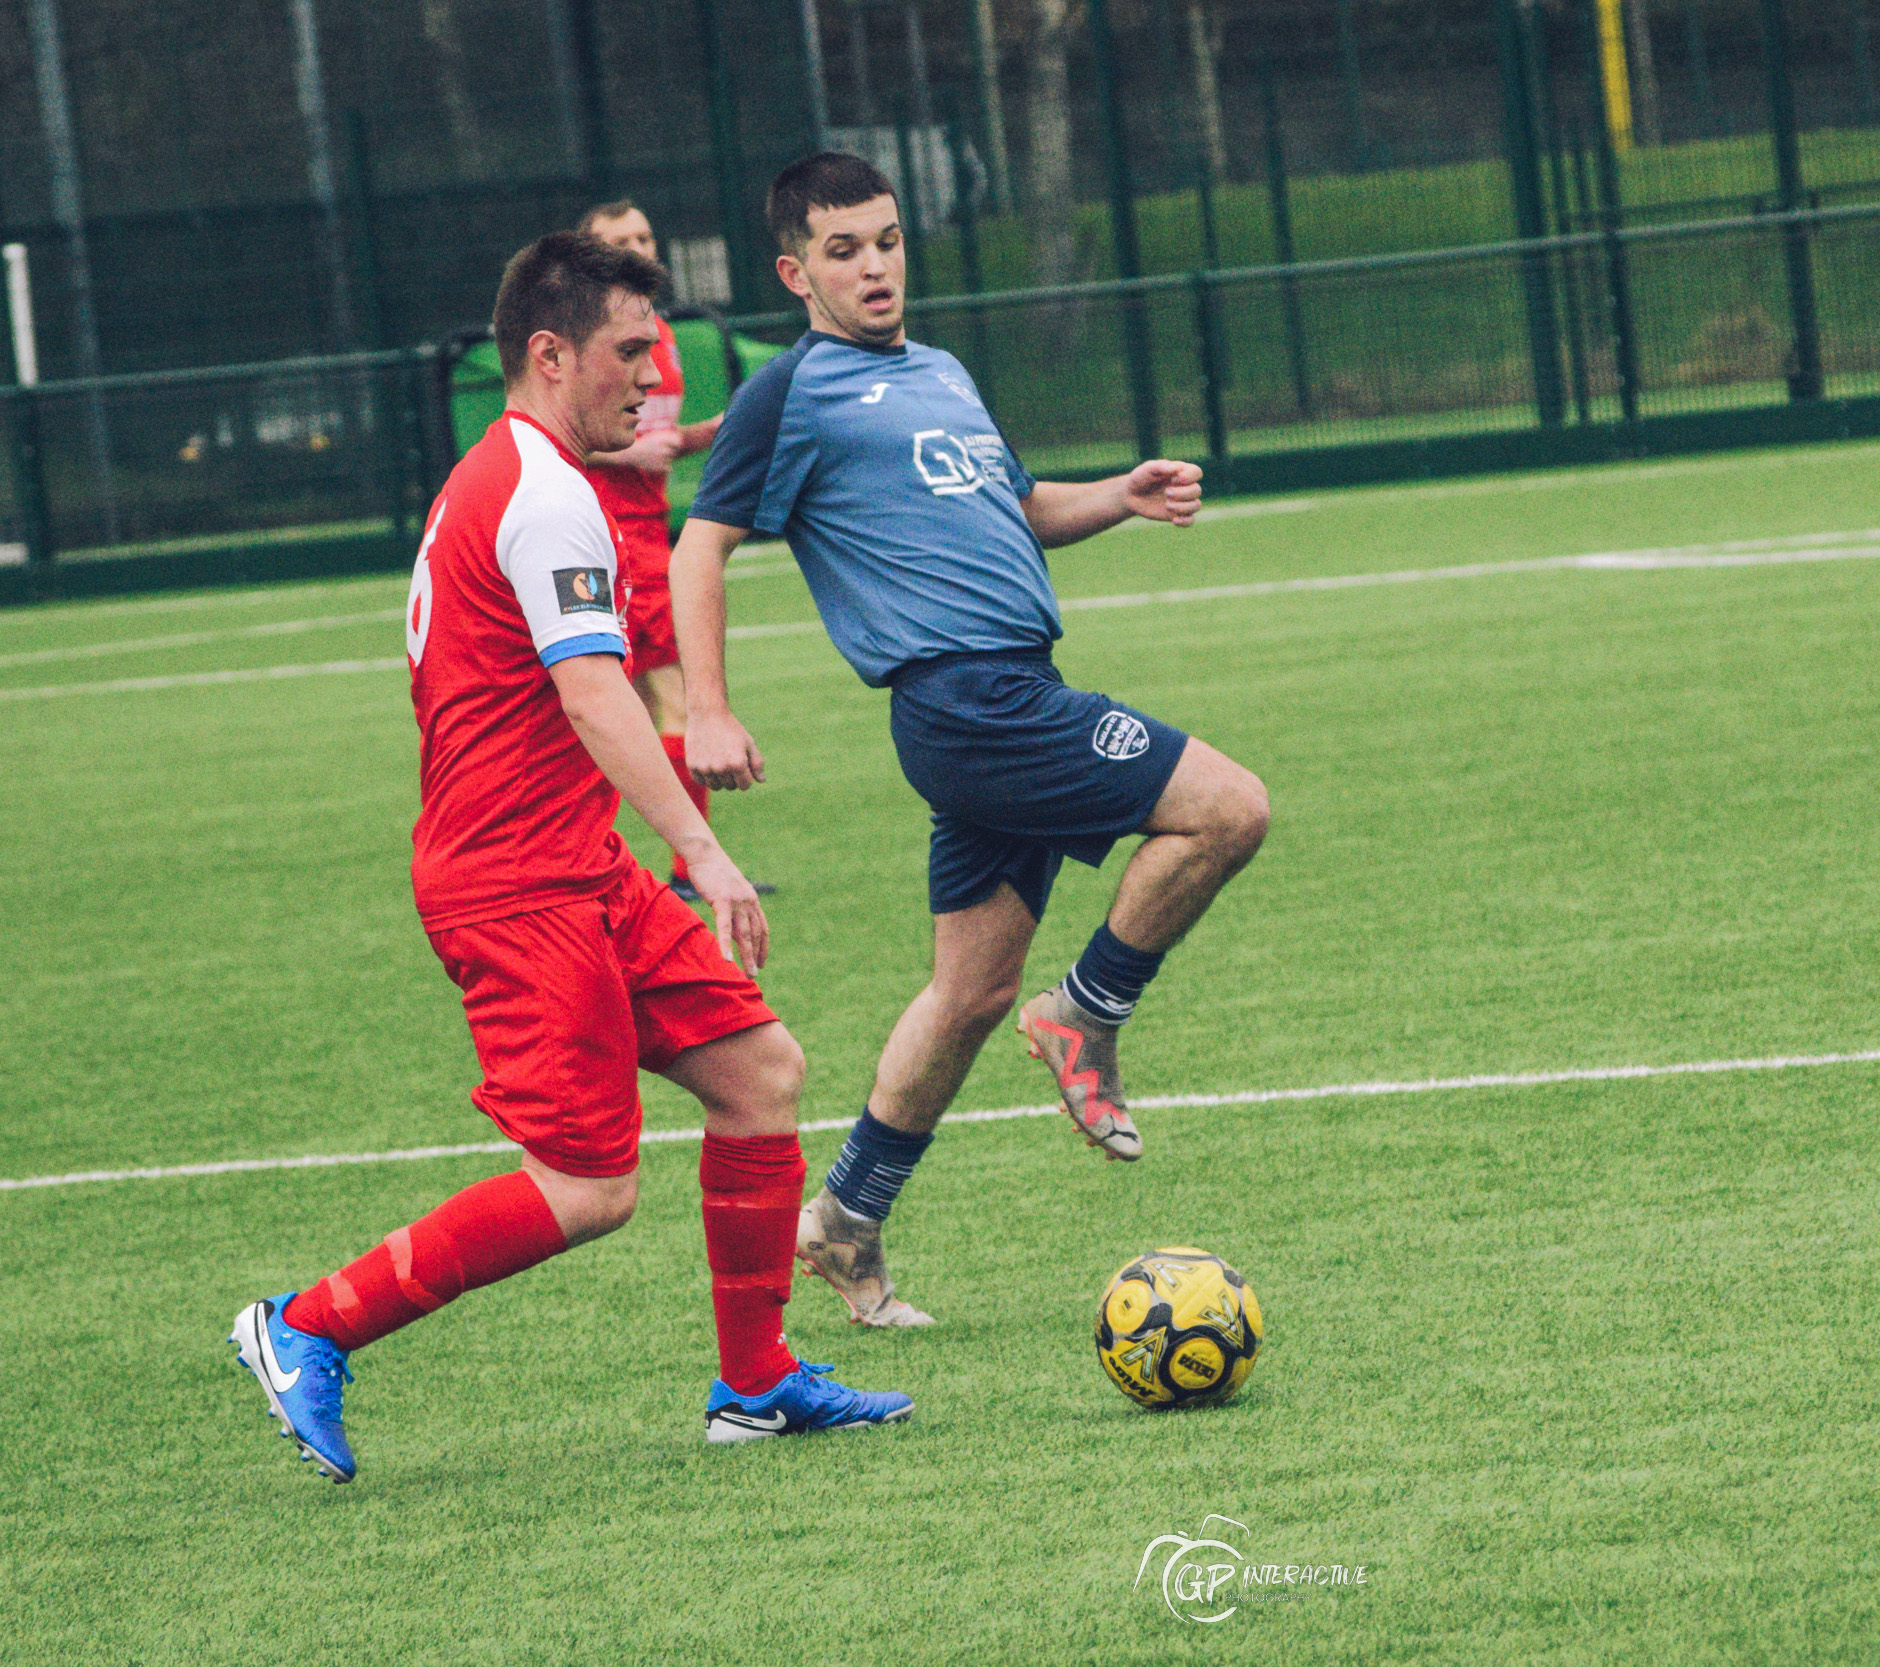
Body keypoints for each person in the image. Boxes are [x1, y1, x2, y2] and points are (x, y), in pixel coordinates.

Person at [227, 232, 909, 1483]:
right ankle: (305, 1324)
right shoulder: (542, 493)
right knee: (586, 1187)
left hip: (569, 861)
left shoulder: (506, 473)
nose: (654, 379)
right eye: (631, 352)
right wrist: (702, 850)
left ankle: (755, 1384)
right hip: (514, 884)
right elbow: (592, 693)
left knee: (761, 1072)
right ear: (550, 354)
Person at [670, 154, 1270, 1328]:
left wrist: (1122, 495)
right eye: (843, 251)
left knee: (967, 988)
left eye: (886, 241)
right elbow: (702, 544)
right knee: (1228, 806)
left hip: (1008, 690)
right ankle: (1089, 1010)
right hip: (963, 704)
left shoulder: (941, 369)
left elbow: (1018, 506)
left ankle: (844, 1220)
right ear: (795, 272)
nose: (874, 266)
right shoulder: (786, 393)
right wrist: (705, 702)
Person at [575, 199, 767, 901]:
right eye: (619, 240)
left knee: (620, 710)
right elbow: (561, 427)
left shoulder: (659, 331)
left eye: (645, 235)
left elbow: (652, 440)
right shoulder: (587, 335)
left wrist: (701, 434)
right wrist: (631, 455)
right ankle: (687, 868)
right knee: (671, 702)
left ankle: (633, 869)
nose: (638, 247)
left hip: (646, 531)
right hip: (611, 541)